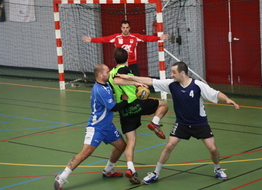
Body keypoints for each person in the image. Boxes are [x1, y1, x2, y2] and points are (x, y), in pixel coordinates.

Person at [116, 61, 240, 184]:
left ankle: (217, 169)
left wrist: (227, 99)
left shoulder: (198, 85)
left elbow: (215, 93)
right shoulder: (172, 84)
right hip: (182, 123)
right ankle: (155, 173)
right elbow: (150, 81)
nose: (172, 75)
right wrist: (129, 77)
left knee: (213, 149)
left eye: (174, 72)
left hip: (199, 123)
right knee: (169, 146)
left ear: (182, 73)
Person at [54, 64, 129, 190]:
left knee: (121, 146)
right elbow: (113, 107)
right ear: (100, 74)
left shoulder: (106, 84)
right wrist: (125, 101)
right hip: (97, 127)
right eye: (106, 71)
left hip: (108, 126)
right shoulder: (98, 90)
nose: (109, 73)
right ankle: (61, 177)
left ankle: (108, 170)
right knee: (85, 153)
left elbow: (116, 81)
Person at [109, 47, 169, 184]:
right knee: (163, 105)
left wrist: (135, 86)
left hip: (124, 110)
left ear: (114, 59)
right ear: (127, 58)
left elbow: (115, 84)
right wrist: (135, 82)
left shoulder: (111, 72)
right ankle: (155, 122)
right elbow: (119, 81)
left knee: (131, 141)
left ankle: (131, 169)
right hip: (136, 103)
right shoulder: (124, 70)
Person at [82, 20, 169, 76]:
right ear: (121, 28)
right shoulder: (116, 37)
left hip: (132, 64)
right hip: (121, 65)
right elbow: (104, 39)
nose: (125, 29)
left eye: (127, 28)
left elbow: (146, 38)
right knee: (120, 84)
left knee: (137, 84)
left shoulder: (135, 37)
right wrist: (92, 40)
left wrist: (159, 38)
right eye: (123, 28)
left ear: (129, 28)